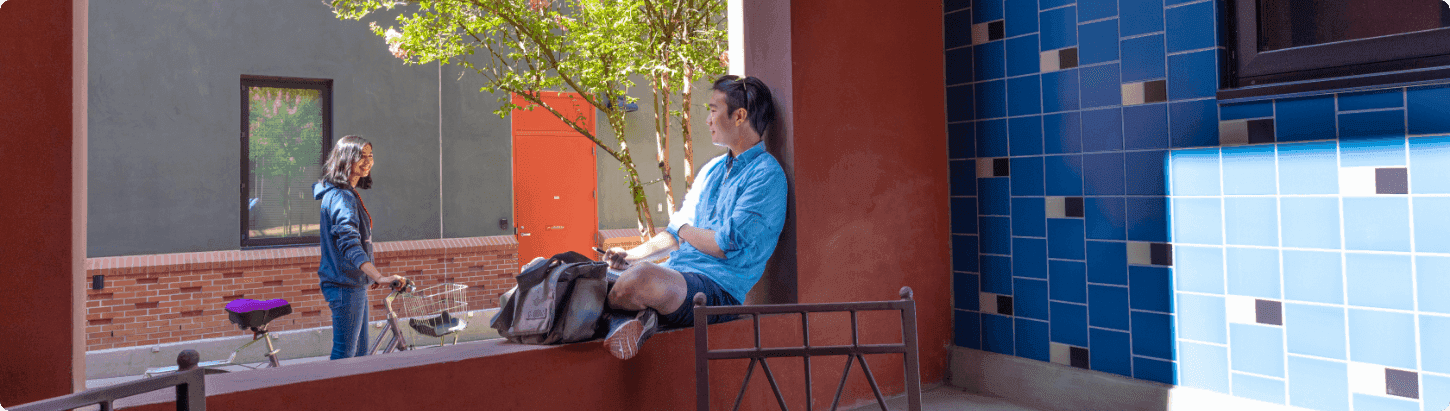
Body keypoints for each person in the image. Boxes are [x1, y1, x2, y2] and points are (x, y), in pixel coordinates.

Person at [600, 75, 788, 360]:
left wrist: (684, 230)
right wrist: (630, 255)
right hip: (679, 276)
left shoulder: (766, 175)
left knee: (639, 279)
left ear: (739, 116)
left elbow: (723, 245)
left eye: (713, 110)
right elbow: (672, 235)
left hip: (718, 290)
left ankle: (628, 319)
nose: (708, 120)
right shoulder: (712, 169)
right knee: (581, 272)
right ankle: (638, 319)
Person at [313, 135, 406, 360]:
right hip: (344, 285)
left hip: (352, 283)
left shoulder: (343, 194)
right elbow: (349, 242)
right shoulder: (341, 197)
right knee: (346, 355)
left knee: (361, 356)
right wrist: (378, 276)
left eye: (370, 155)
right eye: (360, 156)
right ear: (345, 160)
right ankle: (334, 395)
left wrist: (369, 277)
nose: (367, 161)